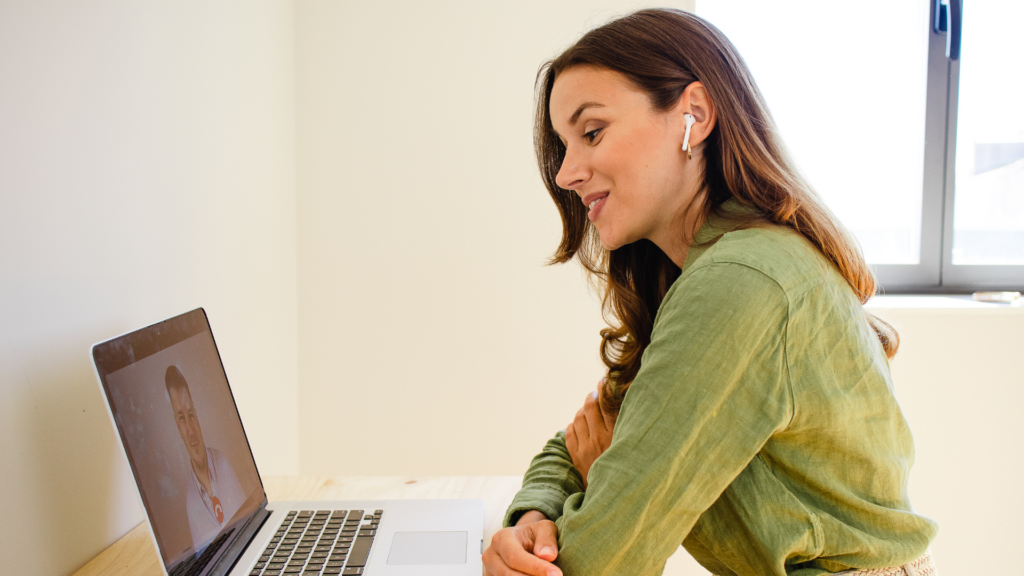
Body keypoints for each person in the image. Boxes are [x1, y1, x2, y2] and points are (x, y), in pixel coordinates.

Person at [483, 9, 938, 576]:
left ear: (693, 116)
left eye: (592, 132)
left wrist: (586, 503)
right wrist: (534, 516)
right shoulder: (705, 271)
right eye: (563, 145)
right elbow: (585, 433)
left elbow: (600, 561)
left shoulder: (741, 281)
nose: (566, 173)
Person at [165, 365, 246, 556]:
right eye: (182, 419)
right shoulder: (190, 502)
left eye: (191, 415)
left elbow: (247, 526)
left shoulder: (224, 462)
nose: (191, 430)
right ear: (178, 426)